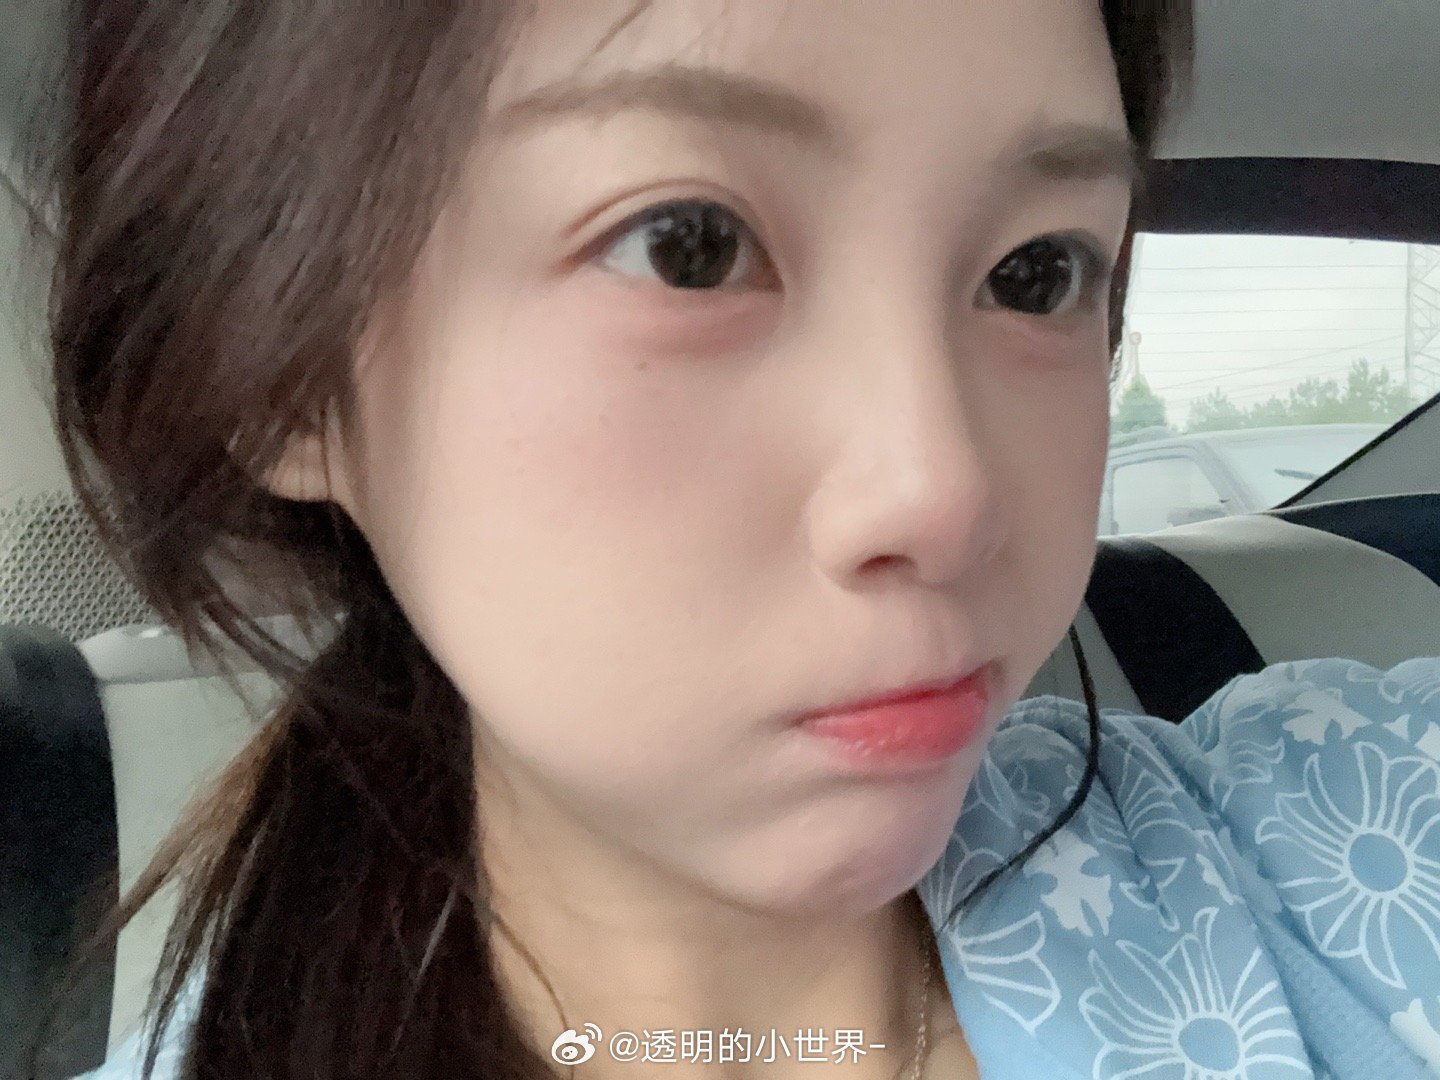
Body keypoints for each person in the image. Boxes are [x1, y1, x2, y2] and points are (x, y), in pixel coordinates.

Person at [31, 1, 1439, 1077]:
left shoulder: (1354, 835)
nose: (942, 490)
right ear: (282, 382)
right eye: (687, 246)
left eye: (1037, 270)